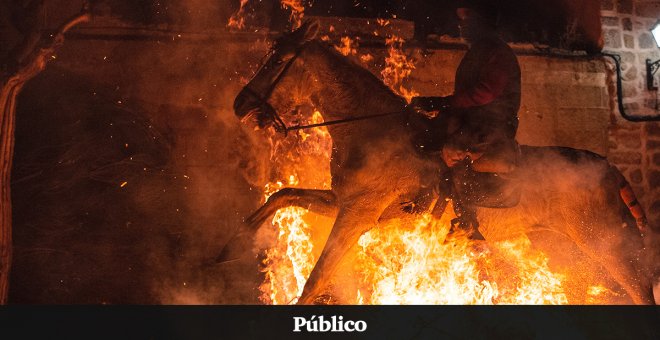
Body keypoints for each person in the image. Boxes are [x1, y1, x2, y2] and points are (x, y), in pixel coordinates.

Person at [411, 0, 521, 174]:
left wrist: (443, 103)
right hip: (474, 122)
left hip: (491, 126)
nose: (462, 24)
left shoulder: (498, 52)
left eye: (467, 17)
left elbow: (484, 94)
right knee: (423, 135)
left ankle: (457, 195)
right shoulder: (479, 51)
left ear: (482, 20)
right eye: (461, 19)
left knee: (451, 150)